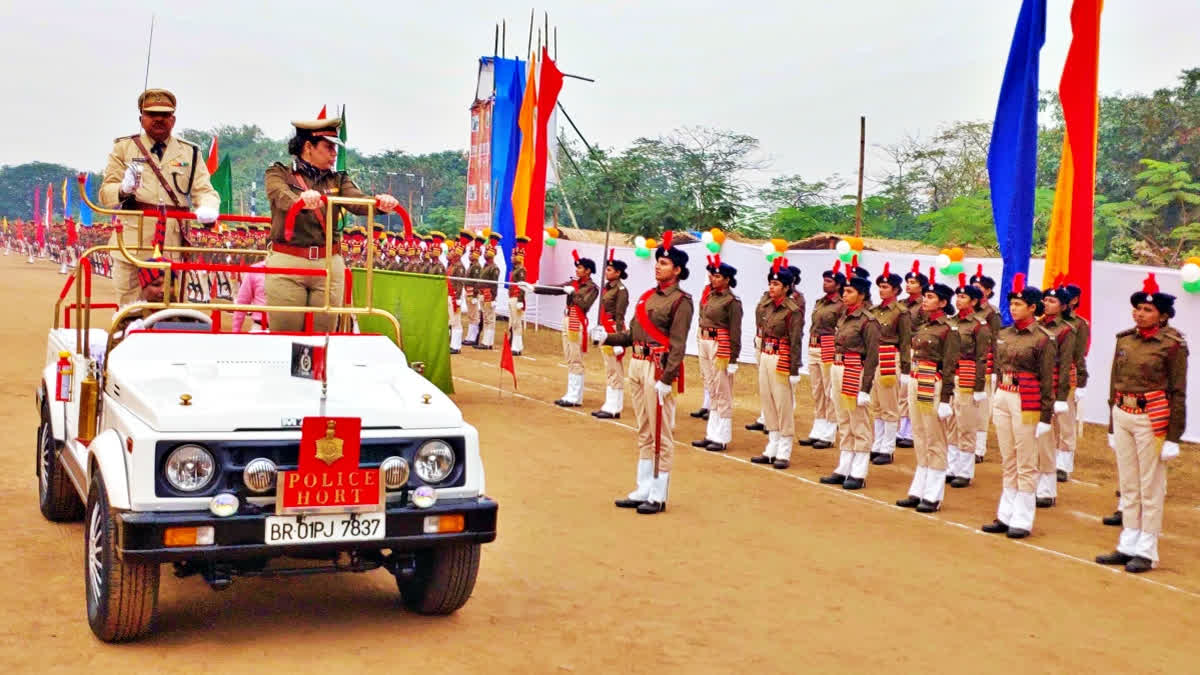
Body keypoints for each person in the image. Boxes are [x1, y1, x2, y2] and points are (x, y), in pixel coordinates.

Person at [262, 117, 399, 332]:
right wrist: (301, 202)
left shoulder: (337, 180)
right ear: (308, 147)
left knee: (323, 337)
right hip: (288, 262)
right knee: (285, 335)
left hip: (328, 264)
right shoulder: (279, 173)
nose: (334, 154)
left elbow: (358, 200)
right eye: (328, 147)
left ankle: (318, 367)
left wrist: (380, 204)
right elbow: (280, 195)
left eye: (335, 148)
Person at [1095, 274, 1187, 573]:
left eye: (1147, 310)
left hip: (1152, 418)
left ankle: (1147, 549)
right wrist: (1111, 423)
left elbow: (1177, 391)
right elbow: (1114, 383)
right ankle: (1128, 542)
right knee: (1129, 484)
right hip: (1123, 413)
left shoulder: (1172, 345)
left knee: (1151, 485)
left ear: (1162, 316)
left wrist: (1173, 436)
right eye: (1137, 308)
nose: (1139, 313)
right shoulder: (1124, 339)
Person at [100, 89, 221, 306]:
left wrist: (208, 207)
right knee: (130, 308)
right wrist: (123, 189)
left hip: (172, 244)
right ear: (141, 118)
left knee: (171, 308)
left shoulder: (189, 152)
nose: (158, 119)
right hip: (132, 244)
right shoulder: (124, 148)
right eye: (152, 114)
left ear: (173, 119)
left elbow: (204, 190)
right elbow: (105, 194)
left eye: (165, 115)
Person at [602, 232, 693, 515]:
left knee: (660, 434)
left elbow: (678, 345)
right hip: (637, 363)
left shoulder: (681, 301)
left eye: (664, 263)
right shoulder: (646, 297)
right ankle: (642, 486)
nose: (658, 267)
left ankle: (658, 492)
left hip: (657, 367)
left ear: (677, 270)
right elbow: (631, 335)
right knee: (643, 430)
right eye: (658, 262)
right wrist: (606, 338)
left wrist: (667, 380)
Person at [981, 274, 1055, 539]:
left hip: (1027, 399)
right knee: (1008, 457)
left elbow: (1047, 379)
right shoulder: (1003, 333)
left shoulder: (1043, 338)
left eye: (1019, 304)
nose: (1013, 308)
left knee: (1025, 459)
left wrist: (1046, 416)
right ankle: (1005, 513)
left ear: (1033, 308)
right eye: (1012, 303)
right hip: (1004, 393)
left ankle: (1022, 517)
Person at [894, 270, 959, 512]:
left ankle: (933, 493)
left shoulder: (948, 330)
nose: (925, 299)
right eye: (926, 296)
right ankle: (919, 488)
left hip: (933, 382)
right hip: (916, 378)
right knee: (920, 435)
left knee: (935, 438)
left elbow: (951, 366)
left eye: (931, 297)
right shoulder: (923, 326)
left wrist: (945, 399)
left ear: (943, 302)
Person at [820, 263, 880, 490]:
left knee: (859, 420)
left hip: (855, 370)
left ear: (862, 295)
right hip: (838, 367)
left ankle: (859, 469)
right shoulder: (844, 317)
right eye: (843, 291)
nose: (844, 295)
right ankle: (844, 465)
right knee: (843, 418)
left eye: (849, 292)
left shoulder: (868, 321)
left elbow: (872, 357)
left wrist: (865, 388)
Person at [522, 250, 600, 407]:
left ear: (588, 271)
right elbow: (555, 289)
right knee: (569, 357)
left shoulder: (592, 287)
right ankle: (573, 394)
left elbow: (585, 304)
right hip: (566, 319)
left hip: (576, 321)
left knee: (575, 358)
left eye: (580, 268)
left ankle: (574, 395)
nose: (576, 270)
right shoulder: (573, 283)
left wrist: (574, 293)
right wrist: (534, 288)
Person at [748, 259, 804, 467]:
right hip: (766, 354)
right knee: (768, 400)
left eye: (776, 284)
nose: (771, 287)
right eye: (770, 283)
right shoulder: (767, 306)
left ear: (787, 287)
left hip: (782, 357)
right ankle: (772, 445)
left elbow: (796, 340)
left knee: (783, 403)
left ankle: (784, 450)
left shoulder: (792, 310)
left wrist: (794, 368)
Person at [692, 256, 743, 451]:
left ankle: (721, 436)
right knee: (711, 386)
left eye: (718, 276)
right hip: (705, 341)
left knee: (722, 390)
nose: (713, 279)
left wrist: (733, 357)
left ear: (727, 279)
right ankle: (711, 433)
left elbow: (735, 331)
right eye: (713, 276)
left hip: (719, 344)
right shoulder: (711, 296)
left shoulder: (732, 302)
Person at [945, 274, 991, 488]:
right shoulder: (951, 322)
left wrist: (979, 386)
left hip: (967, 374)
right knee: (951, 423)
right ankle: (952, 466)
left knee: (966, 424)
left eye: (963, 297)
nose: (959, 300)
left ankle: (965, 470)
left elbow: (982, 356)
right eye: (958, 296)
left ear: (974, 301)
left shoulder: (979, 326)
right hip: (950, 374)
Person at [1035, 282, 1076, 508]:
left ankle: (1047, 488)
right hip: (1035, 387)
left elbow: (1066, 363)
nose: (1046, 304)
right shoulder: (1037, 326)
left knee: (1048, 437)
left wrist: (1061, 397)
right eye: (1045, 300)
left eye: (1052, 301)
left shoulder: (1066, 331)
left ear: (1062, 306)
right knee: (1034, 439)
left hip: (1053, 386)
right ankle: (1034, 483)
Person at [797, 261, 844, 449]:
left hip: (828, 346)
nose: (825, 284)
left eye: (829, 281)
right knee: (817, 390)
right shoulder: (820, 302)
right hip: (814, 345)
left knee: (829, 390)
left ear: (838, 285)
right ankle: (818, 427)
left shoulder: (840, 305)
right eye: (824, 280)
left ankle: (829, 431)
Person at [868, 262, 910, 465]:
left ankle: (888, 447)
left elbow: (905, 341)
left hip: (888, 357)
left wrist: (905, 369)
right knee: (875, 404)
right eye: (880, 286)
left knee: (889, 405)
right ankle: (877, 443)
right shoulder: (874, 310)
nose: (882, 290)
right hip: (873, 357)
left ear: (895, 290)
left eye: (886, 287)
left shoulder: (901, 312)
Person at [1058, 281, 1090, 482]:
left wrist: (1080, 382)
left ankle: (1063, 464)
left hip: (1067, 377)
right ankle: (1047, 459)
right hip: (1047, 376)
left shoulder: (1079, 324)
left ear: (1074, 300)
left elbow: (1079, 355)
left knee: (1066, 422)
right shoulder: (1046, 322)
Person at [970, 264, 1003, 461]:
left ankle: (979, 448)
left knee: (982, 407)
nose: (976, 288)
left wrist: (995, 370)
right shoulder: (967, 310)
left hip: (985, 362)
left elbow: (996, 341)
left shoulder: (992, 313)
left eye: (980, 286)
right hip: (966, 362)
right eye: (973, 284)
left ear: (988, 291)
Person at [594, 252, 631, 420]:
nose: (606, 272)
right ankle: (609, 404)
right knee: (609, 369)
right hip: (604, 328)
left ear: (618, 273)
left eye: (609, 270)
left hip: (613, 329)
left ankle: (615, 406)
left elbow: (620, 315)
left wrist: (617, 336)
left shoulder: (621, 290)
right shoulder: (607, 288)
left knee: (615, 370)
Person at [896, 260, 929, 449]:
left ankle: (910, 430)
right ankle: (902, 426)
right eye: (907, 281)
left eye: (913, 282)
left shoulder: (923, 306)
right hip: (900, 348)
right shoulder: (901, 304)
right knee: (901, 390)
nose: (908, 284)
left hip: (914, 349)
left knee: (911, 390)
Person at [476, 232, 502, 350]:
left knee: (489, 319)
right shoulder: (484, 266)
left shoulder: (494, 268)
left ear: (492, 254)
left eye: (487, 252)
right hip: (482, 294)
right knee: (485, 318)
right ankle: (485, 341)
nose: (485, 253)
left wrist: (493, 297)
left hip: (489, 295)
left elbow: (494, 284)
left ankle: (488, 342)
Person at [447, 232, 471, 354]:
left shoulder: (459, 266)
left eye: (451, 251)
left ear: (457, 254)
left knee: (456, 321)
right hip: (449, 295)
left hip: (454, 296)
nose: (449, 253)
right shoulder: (451, 265)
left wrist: (457, 298)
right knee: (449, 320)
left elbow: (460, 283)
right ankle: (450, 342)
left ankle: (456, 346)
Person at [507, 236, 529, 355]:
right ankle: (515, 345)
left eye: (513, 256)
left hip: (516, 298)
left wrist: (520, 300)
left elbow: (521, 286)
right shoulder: (515, 270)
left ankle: (517, 347)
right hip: (512, 297)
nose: (511, 258)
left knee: (516, 323)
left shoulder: (521, 270)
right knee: (513, 323)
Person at [232, 259, 268, 332]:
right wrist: (235, 331)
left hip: (289, 329)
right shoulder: (256, 270)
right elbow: (242, 301)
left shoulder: (295, 266)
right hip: (260, 328)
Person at [462, 236, 485, 345]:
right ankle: (470, 336)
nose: (470, 255)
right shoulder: (472, 265)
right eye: (470, 253)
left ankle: (473, 337)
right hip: (469, 292)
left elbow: (477, 282)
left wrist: (475, 295)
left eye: (472, 254)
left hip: (473, 293)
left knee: (474, 315)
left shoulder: (476, 267)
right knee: (471, 315)